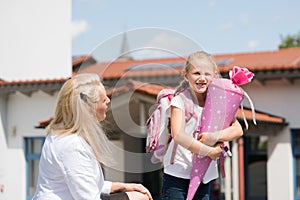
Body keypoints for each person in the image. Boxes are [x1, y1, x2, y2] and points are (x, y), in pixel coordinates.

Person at [33, 73, 152, 200]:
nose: (108, 100)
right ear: (89, 107)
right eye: (103, 99)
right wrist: (130, 197)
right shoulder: (72, 145)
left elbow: (83, 183)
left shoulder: (61, 137)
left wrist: (121, 187)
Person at [161, 51, 243, 200]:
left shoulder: (219, 102)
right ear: (186, 75)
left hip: (204, 175)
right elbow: (178, 135)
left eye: (207, 74)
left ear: (215, 75)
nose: (202, 78)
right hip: (177, 174)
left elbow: (237, 129)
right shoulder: (179, 101)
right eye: (196, 73)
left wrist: (213, 137)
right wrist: (208, 151)